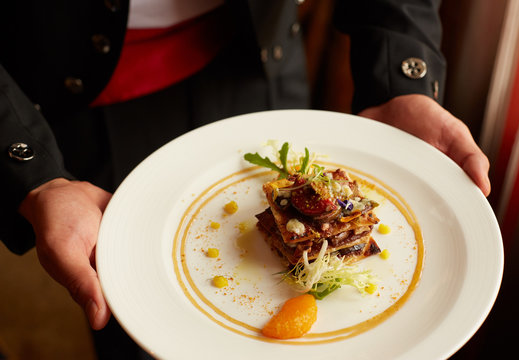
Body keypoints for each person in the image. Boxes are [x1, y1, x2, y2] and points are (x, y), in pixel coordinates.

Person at [0, 0, 490, 357]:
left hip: (259, 50)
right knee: (141, 323)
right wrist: (34, 172)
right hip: (81, 93)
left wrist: (403, 77)